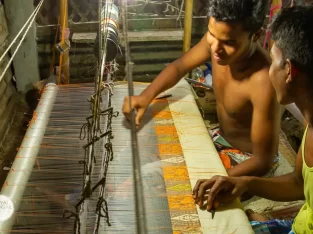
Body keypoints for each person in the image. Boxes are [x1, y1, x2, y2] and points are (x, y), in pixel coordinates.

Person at [123, 0, 280, 177]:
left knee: (162, 180)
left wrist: (219, 179)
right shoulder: (218, 42)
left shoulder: (263, 81)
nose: (215, 48)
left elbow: (263, 161)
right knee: (142, 153)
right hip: (219, 139)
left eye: (228, 42)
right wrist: (145, 97)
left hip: (248, 161)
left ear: (256, 35)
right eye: (212, 34)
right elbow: (179, 67)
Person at [192, 5, 313, 234]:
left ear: (289, 71)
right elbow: (299, 184)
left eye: (273, 58)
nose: (268, 68)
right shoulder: (310, 122)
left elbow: (265, 160)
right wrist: (245, 183)